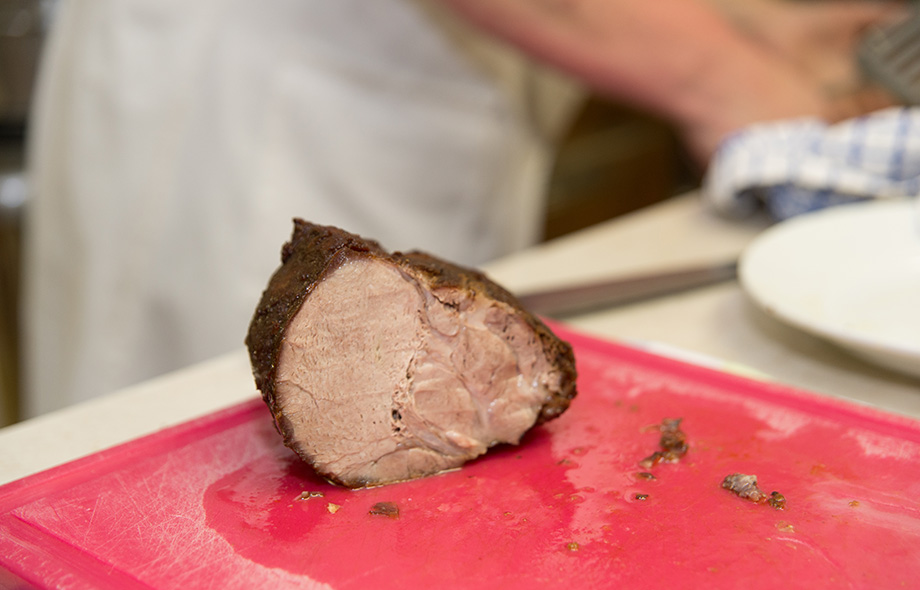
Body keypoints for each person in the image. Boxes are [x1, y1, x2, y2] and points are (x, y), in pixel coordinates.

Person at [20, 0, 904, 417]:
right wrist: (722, 74)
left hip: (439, 85)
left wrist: (741, 23)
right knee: (185, 461)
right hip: (257, 101)